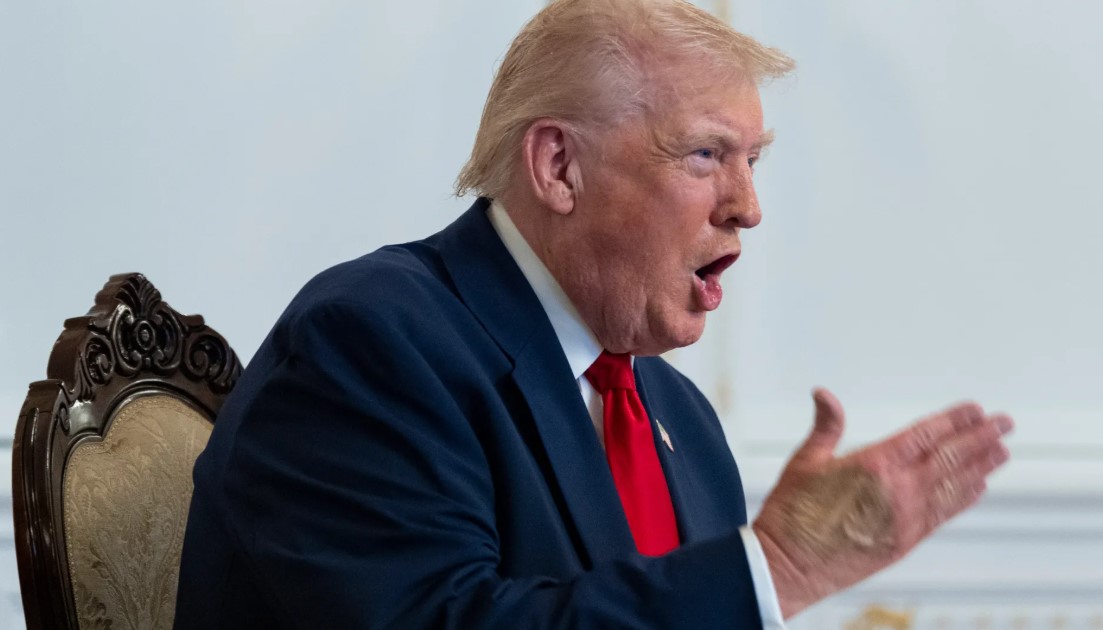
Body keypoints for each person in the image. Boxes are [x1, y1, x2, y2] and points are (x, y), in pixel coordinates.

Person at [174, 0, 1014, 627]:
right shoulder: (368, 345)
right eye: (704, 154)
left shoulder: (680, 419)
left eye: (752, 160)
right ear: (558, 166)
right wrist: (781, 564)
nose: (747, 207)